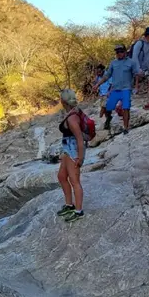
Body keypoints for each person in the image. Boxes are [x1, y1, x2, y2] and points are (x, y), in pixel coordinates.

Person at [95, 45, 142, 135]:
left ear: (125, 52)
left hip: (126, 89)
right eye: (117, 52)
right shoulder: (113, 63)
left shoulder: (131, 62)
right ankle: (108, 119)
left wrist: (136, 87)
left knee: (126, 108)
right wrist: (97, 84)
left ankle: (126, 127)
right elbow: (107, 76)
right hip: (115, 89)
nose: (119, 53)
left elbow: (136, 74)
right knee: (108, 107)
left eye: (121, 51)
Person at [56, 89, 85, 223]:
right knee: (62, 176)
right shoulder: (72, 112)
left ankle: (79, 211)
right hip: (67, 149)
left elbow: (79, 139)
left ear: (63, 101)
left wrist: (80, 157)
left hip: (73, 150)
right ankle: (69, 205)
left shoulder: (72, 118)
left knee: (75, 181)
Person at [132, 26, 149, 110]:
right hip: (137, 69)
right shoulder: (139, 43)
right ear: (147, 34)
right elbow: (134, 57)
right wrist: (138, 69)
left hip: (147, 69)